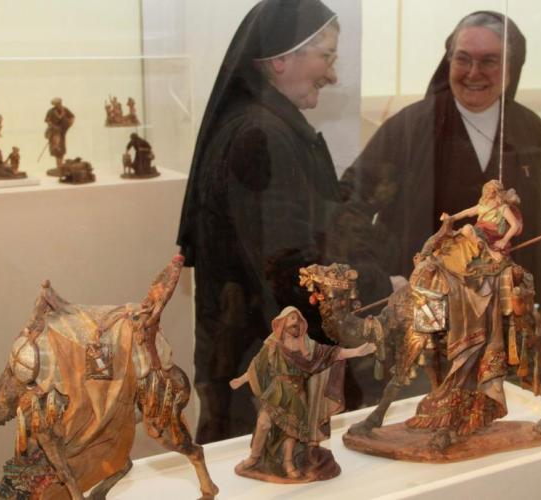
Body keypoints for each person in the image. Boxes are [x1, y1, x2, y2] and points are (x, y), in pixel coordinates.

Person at [339, 11, 541, 349]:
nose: (473, 73)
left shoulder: (529, 130)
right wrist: (376, 279)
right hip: (422, 314)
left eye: (489, 61)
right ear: (449, 61)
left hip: (503, 315)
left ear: (510, 67)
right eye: (463, 59)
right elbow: (349, 204)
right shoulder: (409, 129)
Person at [176, 0, 343, 443]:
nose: (332, 75)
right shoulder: (260, 134)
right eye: (326, 56)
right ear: (280, 60)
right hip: (261, 365)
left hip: (250, 354)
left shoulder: (263, 123)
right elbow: (286, 266)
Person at [230, 306, 375, 480]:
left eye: (298, 319)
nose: (295, 322)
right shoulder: (273, 344)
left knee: (292, 431)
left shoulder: (307, 346)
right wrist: (241, 380)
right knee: (263, 423)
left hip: (297, 393)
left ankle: (288, 463)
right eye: (292, 318)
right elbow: (256, 366)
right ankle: (253, 458)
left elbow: (331, 353)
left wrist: (356, 352)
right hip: (276, 392)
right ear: (282, 322)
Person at [44, 98, 75, 169]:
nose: (59, 105)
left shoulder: (65, 109)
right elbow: (47, 120)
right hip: (54, 132)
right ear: (54, 105)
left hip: (62, 132)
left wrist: (70, 124)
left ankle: (60, 166)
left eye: (59, 103)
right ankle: (58, 166)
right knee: (56, 149)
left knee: (62, 149)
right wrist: (51, 125)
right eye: (57, 104)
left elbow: (72, 117)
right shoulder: (51, 111)